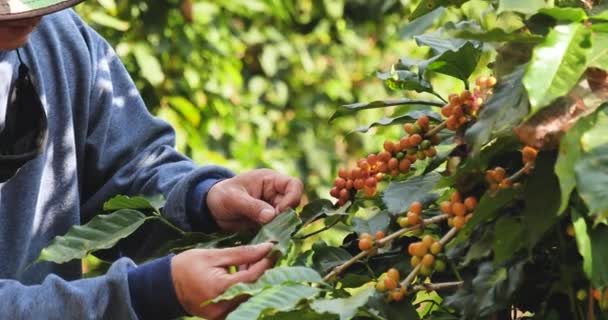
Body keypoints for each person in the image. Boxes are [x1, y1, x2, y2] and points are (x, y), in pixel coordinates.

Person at [0, 1, 304, 319]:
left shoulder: (60, 35)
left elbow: (126, 165)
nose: (33, 13)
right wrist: (146, 292)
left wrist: (202, 199)